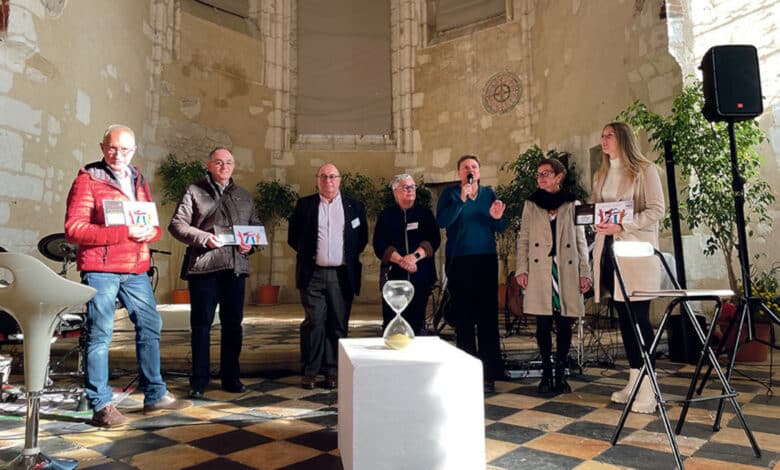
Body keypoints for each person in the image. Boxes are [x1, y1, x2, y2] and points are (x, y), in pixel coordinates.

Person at [65, 124, 191, 428]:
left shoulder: (137, 178)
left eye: (125, 149)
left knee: (151, 326)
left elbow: (149, 222)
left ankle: (155, 394)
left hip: (135, 269)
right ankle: (102, 405)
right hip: (101, 270)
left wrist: (153, 231)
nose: (118, 154)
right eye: (112, 147)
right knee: (100, 335)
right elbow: (74, 229)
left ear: (134, 150)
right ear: (102, 146)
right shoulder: (88, 180)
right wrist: (124, 232)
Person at [168, 147, 262, 399]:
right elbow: (176, 225)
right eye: (219, 162)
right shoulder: (194, 191)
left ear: (234, 166)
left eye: (229, 162)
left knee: (233, 325)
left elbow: (256, 227)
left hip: (235, 268)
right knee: (201, 325)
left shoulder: (243, 195)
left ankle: (231, 377)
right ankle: (199, 380)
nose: (224, 167)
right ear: (208, 165)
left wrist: (250, 244)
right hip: (204, 268)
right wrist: (203, 237)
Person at [591, 121, 665, 413]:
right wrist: (594, 220)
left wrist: (622, 224)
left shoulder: (645, 169)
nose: (604, 139)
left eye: (609, 135)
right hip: (609, 251)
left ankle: (649, 388)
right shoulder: (602, 174)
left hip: (635, 252)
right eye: (602, 135)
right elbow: (596, 207)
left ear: (623, 138)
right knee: (623, 318)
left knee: (638, 319)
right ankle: (634, 380)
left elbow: (657, 210)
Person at [288, 163, 368, 390]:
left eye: (332, 176)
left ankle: (332, 371)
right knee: (314, 322)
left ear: (340, 179)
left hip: (342, 275)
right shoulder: (305, 205)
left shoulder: (355, 206)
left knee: (338, 323)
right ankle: (310, 371)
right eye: (323, 176)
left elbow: (360, 240)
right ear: (317, 180)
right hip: (313, 273)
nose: (328, 181)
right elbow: (294, 238)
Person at [515, 158, 591, 395]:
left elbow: (580, 240)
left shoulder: (572, 203)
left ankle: (561, 373)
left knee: (565, 322)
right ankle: (546, 374)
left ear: (559, 177)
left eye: (546, 173)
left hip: (565, 268)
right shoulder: (531, 204)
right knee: (543, 323)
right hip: (540, 269)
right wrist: (521, 269)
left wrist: (585, 272)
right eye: (538, 174)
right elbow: (524, 238)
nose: (541, 178)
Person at [436, 155, 506, 393]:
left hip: (485, 259)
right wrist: (461, 201)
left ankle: (489, 372)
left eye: (474, 167)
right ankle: (466, 370)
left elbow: (498, 226)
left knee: (487, 317)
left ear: (479, 171)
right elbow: (443, 221)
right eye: (466, 167)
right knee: (464, 317)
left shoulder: (489, 194)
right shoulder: (450, 195)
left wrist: (498, 218)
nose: (470, 170)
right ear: (459, 173)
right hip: (459, 260)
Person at [372, 174, 441, 335]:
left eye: (412, 187)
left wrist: (414, 257)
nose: (410, 190)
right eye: (405, 187)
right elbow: (379, 244)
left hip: (421, 276)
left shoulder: (425, 214)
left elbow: (434, 239)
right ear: (395, 192)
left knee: (416, 324)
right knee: (393, 323)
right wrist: (402, 260)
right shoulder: (386, 216)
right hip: (393, 278)